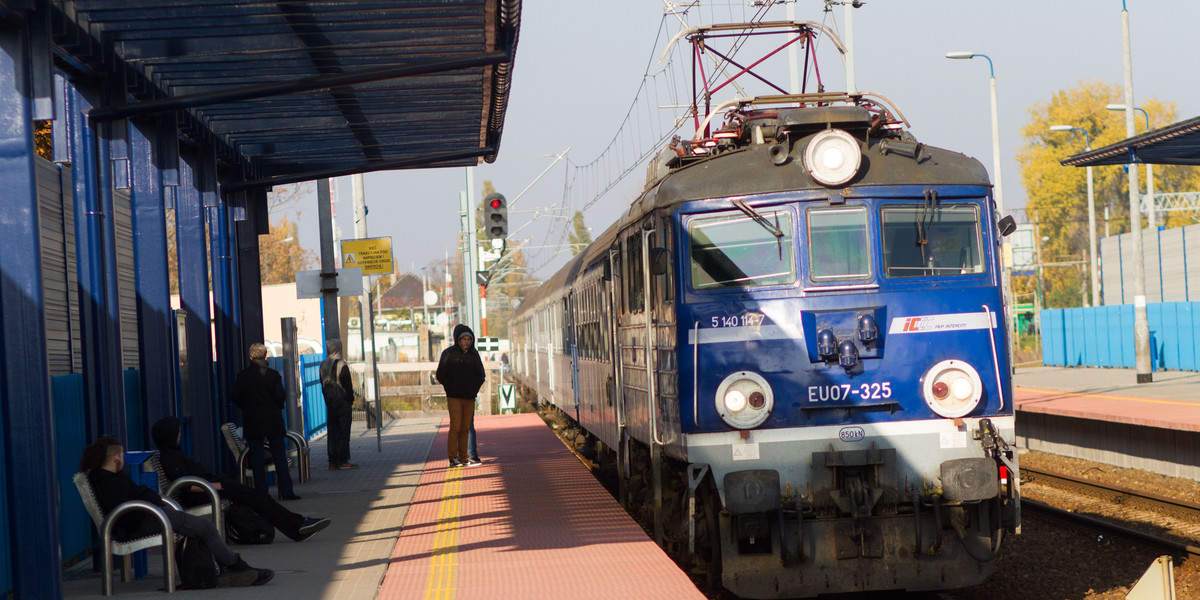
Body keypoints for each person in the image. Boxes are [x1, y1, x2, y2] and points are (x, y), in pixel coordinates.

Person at [80, 436, 274, 587]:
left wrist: (152, 500)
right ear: (115, 457)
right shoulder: (110, 483)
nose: (122, 460)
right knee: (205, 527)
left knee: (197, 529)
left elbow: (135, 497)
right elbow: (131, 503)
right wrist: (152, 500)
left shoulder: (106, 478)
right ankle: (235, 565)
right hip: (144, 521)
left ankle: (214, 569)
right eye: (121, 456)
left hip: (147, 516)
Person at [151, 417, 331, 543]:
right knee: (258, 499)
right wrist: (219, 486)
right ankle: (297, 527)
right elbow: (188, 487)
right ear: (170, 434)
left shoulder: (174, 452)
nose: (180, 433)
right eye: (178, 431)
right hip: (207, 491)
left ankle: (298, 524)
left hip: (213, 487)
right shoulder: (170, 457)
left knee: (259, 498)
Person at [231, 343, 298, 500]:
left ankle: (262, 494)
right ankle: (286, 492)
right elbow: (280, 396)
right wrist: (275, 407)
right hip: (273, 420)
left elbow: (235, 397)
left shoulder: (243, 376)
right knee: (279, 456)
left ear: (250, 357)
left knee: (256, 458)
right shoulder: (273, 375)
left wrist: (247, 407)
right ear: (266, 355)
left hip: (252, 421)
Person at [435, 324, 486, 467]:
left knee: (465, 427)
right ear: (457, 339)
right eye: (463, 339)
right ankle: (453, 457)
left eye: (469, 339)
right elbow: (440, 374)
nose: (466, 342)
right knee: (455, 426)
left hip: (469, 397)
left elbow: (481, 375)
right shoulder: (449, 354)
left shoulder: (474, 354)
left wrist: (473, 390)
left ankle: (464, 457)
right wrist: (450, 387)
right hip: (454, 396)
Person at [320, 339, 358, 470]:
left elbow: (322, 382)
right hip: (342, 403)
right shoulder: (342, 364)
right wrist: (350, 399)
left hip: (330, 402)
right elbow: (347, 385)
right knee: (343, 431)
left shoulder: (323, 364)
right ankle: (343, 460)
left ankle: (333, 461)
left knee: (332, 432)